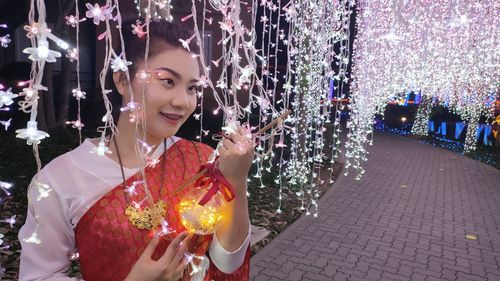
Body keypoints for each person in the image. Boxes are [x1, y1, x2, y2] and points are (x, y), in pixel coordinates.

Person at [19, 20, 254, 281]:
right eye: (167, 81)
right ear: (122, 80)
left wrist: (235, 179)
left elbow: (228, 261)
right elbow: (38, 276)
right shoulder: (59, 179)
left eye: (192, 88)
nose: (182, 102)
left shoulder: (202, 159)